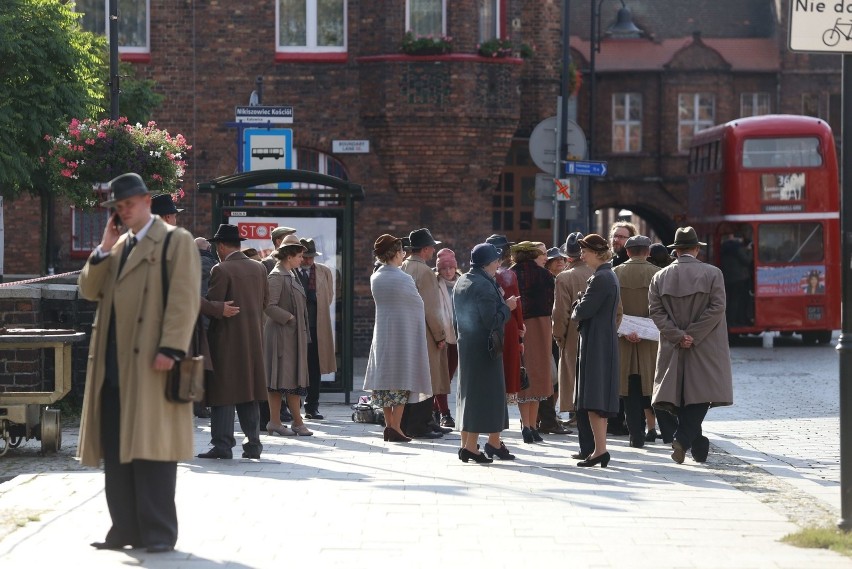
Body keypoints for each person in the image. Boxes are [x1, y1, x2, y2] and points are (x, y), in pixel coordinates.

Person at [77, 172, 200, 553]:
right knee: (116, 452)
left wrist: (171, 348)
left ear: (147, 201)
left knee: (153, 449)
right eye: (118, 206)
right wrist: (103, 247)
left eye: (129, 203)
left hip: (151, 363)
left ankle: (159, 533)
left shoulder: (174, 241)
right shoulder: (119, 246)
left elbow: (185, 297)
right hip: (113, 367)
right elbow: (89, 289)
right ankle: (124, 530)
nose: (124, 211)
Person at [649, 226, 734, 465]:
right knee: (700, 394)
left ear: (675, 251)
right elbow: (717, 307)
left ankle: (692, 441)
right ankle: (686, 438)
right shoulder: (713, 273)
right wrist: (693, 335)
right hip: (706, 344)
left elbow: (656, 312)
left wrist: (678, 336)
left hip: (673, 345)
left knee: (679, 395)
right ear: (696, 249)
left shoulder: (659, 277)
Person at [198, 224, 269, 460]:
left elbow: (215, 305)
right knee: (249, 391)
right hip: (253, 339)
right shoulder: (259, 268)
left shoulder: (221, 269)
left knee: (223, 392)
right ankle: (253, 444)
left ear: (220, 246)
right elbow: (265, 301)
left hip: (226, 338)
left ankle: (222, 444)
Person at [363, 235, 433, 442]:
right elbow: (417, 305)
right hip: (403, 336)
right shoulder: (403, 278)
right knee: (402, 381)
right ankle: (396, 427)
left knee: (385, 381)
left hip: (383, 335)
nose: (404, 254)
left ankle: (390, 425)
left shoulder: (376, 277)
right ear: (394, 253)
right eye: (402, 251)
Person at [454, 243, 517, 463]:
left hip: (468, 345)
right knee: (484, 398)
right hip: (486, 348)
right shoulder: (483, 285)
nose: (499, 264)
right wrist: (507, 308)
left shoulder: (463, 280)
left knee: (469, 395)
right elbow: (491, 320)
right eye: (496, 260)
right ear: (488, 263)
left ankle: (475, 444)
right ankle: (471, 447)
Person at [571, 234, 621, 468]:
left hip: (597, 343)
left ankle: (600, 450)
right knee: (595, 397)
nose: (582, 255)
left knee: (594, 397)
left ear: (597, 253)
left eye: (585, 251)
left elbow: (582, 311)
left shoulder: (602, 277)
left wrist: (577, 305)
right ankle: (599, 450)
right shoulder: (604, 275)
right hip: (598, 340)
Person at [612, 235, 664, 448]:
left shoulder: (615, 273)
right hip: (650, 339)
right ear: (648, 252)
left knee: (628, 387)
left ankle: (636, 434)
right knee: (650, 385)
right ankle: (659, 429)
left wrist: (624, 330)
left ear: (627, 251)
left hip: (623, 338)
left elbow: (611, 308)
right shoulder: (658, 274)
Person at [400, 228, 451, 439]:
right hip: (425, 332)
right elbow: (431, 308)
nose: (433, 251)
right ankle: (420, 424)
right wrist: (440, 335)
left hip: (406, 330)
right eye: (432, 247)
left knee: (412, 379)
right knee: (428, 378)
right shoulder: (426, 272)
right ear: (426, 249)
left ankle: (423, 420)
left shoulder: (402, 267)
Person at [264, 235, 313, 437]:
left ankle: (286, 422)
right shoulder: (276, 276)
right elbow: (268, 306)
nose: (302, 259)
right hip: (281, 337)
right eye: (300, 255)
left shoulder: (290, 274)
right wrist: (289, 317)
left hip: (292, 337)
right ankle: (290, 422)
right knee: (281, 380)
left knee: (291, 379)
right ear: (290, 255)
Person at [510, 241, 555, 443]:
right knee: (538, 373)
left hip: (517, 325)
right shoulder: (545, 275)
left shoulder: (510, 274)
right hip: (541, 324)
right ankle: (533, 426)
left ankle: (525, 424)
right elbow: (552, 302)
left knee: (523, 371)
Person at [552, 232, 593, 425]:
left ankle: (577, 414)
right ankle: (588, 414)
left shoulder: (564, 277)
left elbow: (560, 313)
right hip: (596, 333)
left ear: (568, 256)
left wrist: (559, 336)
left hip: (573, 334)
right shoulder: (601, 272)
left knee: (572, 374)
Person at [297, 237, 338, 420]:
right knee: (295, 367)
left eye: (311, 257)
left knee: (314, 367)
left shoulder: (323, 271)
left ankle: (312, 406)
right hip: (296, 328)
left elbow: (329, 297)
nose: (308, 261)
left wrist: (314, 298)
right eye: (305, 257)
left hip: (317, 327)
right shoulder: (291, 271)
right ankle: (292, 405)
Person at [486, 234, 525, 409]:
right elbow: (516, 303)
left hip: (488, 324)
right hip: (508, 324)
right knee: (508, 368)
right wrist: (520, 326)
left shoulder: (485, 274)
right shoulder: (508, 274)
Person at [537, 246, 571, 435]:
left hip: (556, 332)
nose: (560, 261)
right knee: (550, 377)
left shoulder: (561, 279)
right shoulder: (547, 280)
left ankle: (550, 415)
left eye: (562, 259)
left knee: (555, 378)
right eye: (555, 259)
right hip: (547, 333)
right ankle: (546, 417)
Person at [434, 247, 460, 428]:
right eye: (444, 268)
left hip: (460, 336)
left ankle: (435, 410)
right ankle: (445, 413)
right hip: (441, 336)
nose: (448, 271)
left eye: (451, 267)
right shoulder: (434, 283)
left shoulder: (463, 282)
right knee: (442, 377)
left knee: (448, 376)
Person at [720, 232, 753, 326]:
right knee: (737, 300)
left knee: (730, 300)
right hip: (739, 278)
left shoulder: (724, 247)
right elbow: (747, 261)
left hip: (728, 278)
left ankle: (730, 321)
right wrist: (750, 251)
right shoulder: (737, 248)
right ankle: (735, 321)